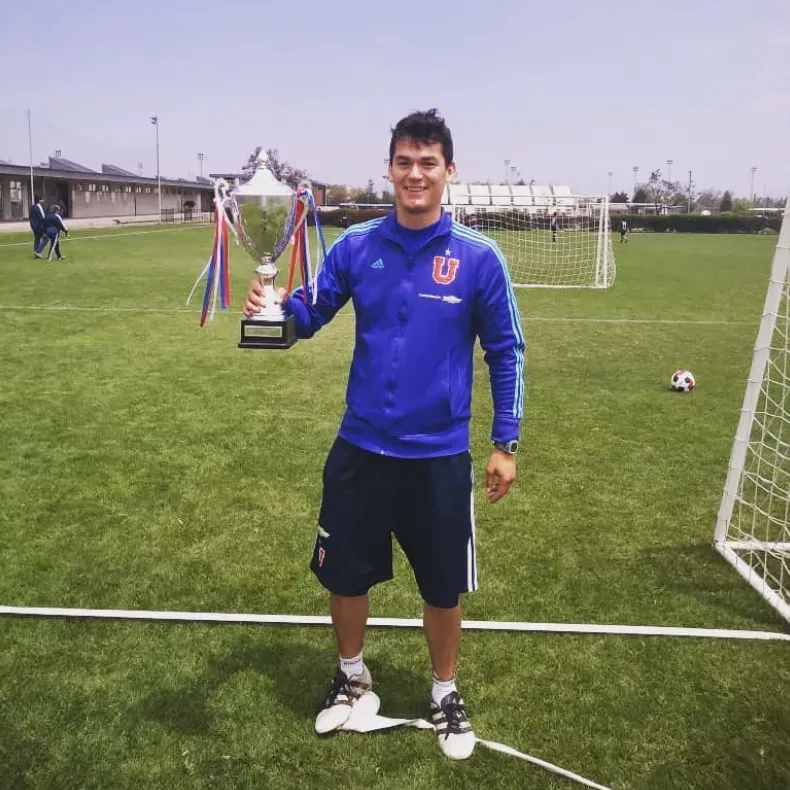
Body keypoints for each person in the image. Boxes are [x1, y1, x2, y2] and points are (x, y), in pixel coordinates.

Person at [243, 108, 525, 761]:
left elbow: (507, 351)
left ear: (448, 171)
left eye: (429, 162)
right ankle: (350, 681)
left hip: (438, 458)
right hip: (360, 449)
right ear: (390, 169)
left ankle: (445, 693)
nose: (416, 173)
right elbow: (308, 315)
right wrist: (274, 314)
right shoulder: (358, 245)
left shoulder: (479, 259)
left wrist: (505, 442)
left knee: (442, 588)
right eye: (404, 162)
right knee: (345, 576)